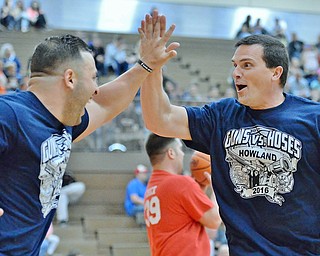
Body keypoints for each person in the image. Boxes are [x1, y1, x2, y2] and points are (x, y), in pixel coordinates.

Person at [0, 11, 179, 255]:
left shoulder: (62, 123)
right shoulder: (9, 114)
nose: (96, 89)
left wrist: (146, 65)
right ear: (70, 79)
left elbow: (105, 104)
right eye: (93, 78)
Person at [139, 14, 320, 255]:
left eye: (246, 65)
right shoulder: (221, 115)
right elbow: (159, 119)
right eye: (235, 65)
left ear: (276, 73)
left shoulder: (313, 118)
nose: (236, 73)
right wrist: (150, 67)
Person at [144, 133, 221, 256]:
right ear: (171, 153)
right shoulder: (180, 183)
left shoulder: (151, 188)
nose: (183, 154)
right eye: (180, 149)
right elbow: (214, 220)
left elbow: (181, 219)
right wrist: (218, 189)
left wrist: (198, 190)